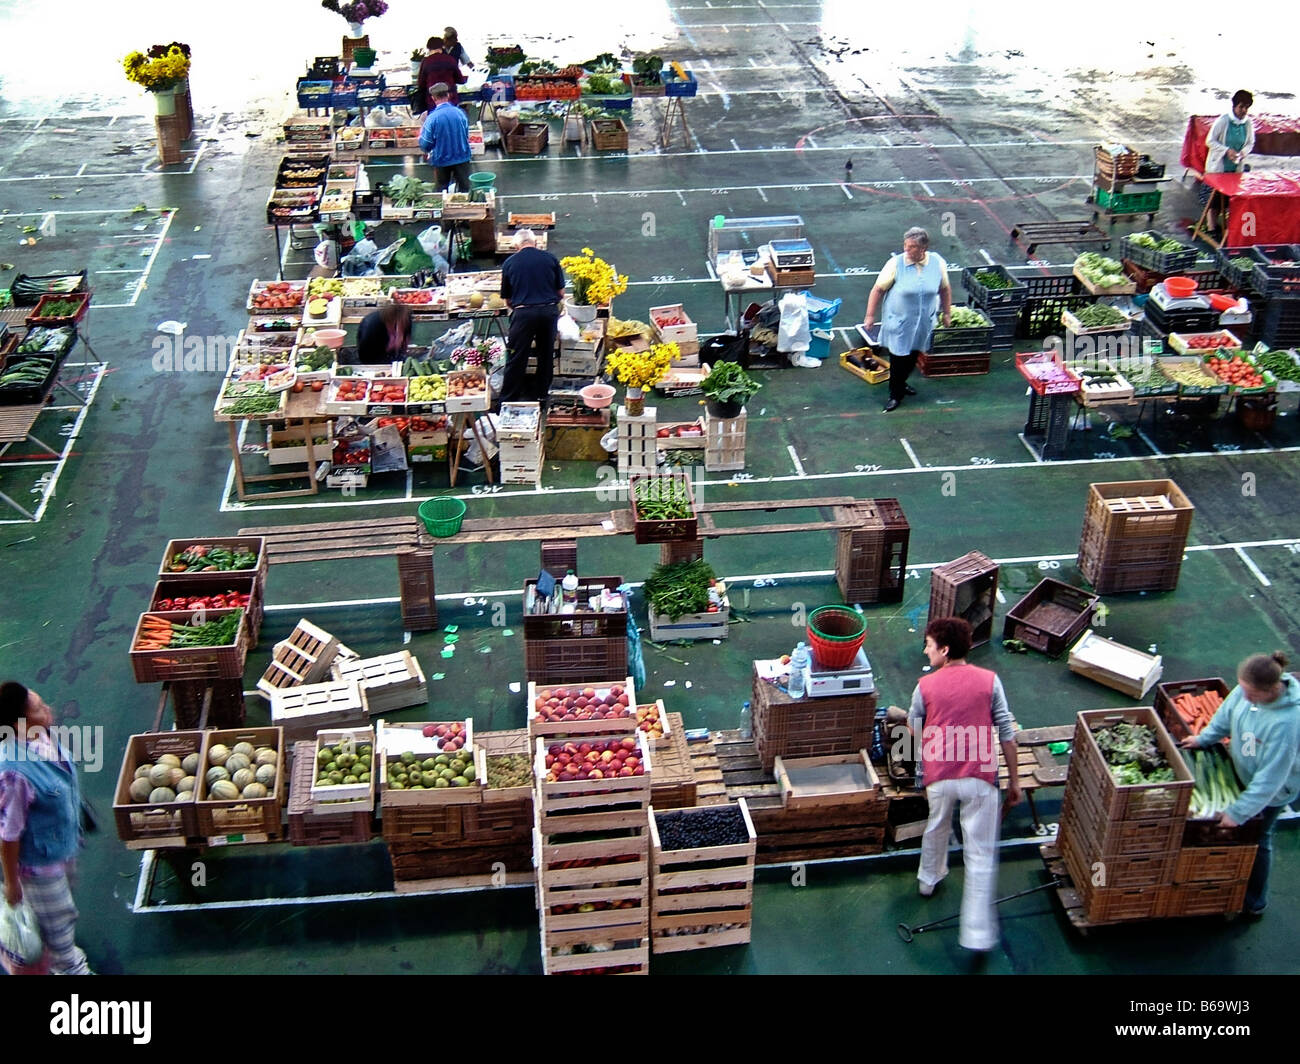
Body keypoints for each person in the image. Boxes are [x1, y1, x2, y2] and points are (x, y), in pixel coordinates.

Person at [907, 618, 1021, 954]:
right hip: (981, 776)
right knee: (980, 854)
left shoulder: (924, 686)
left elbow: (913, 730)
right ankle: (975, 933)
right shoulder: (990, 681)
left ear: (944, 650)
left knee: (936, 827)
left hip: (940, 775)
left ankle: (928, 881)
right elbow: (1007, 733)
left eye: (929, 645)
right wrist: (1013, 782)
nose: (926, 650)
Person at [1179, 652, 1300, 916]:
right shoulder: (1248, 693)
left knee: (1259, 839)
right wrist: (1205, 738)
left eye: (1250, 693)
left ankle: (1255, 901)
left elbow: (1271, 778)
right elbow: (1228, 711)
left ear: (1270, 690)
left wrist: (1238, 812)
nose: (1244, 696)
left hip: (1273, 792)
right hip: (1243, 768)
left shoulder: (1287, 723)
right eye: (1242, 688)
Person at [0, 681, 92, 975]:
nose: (48, 709)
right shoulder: (14, 773)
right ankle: (71, 970)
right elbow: (9, 836)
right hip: (39, 867)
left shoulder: (42, 737)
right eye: (39, 708)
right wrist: (13, 883)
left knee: (59, 916)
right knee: (60, 934)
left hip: (61, 848)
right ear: (19, 723)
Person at [863, 226, 952, 412]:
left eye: (911, 247)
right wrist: (870, 315)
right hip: (899, 322)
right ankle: (895, 394)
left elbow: (944, 289)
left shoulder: (937, 263)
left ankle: (901, 383)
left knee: (912, 356)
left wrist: (947, 312)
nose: (906, 250)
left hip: (923, 323)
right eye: (905, 245)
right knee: (898, 358)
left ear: (923, 248)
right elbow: (878, 289)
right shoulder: (895, 264)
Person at [499, 229, 564, 403]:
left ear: (516, 245)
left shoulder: (509, 263)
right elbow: (561, 292)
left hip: (523, 313)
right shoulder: (551, 259)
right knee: (545, 355)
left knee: (517, 356)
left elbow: (507, 300)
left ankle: (508, 399)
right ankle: (542, 394)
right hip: (548, 312)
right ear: (535, 243)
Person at [1200, 90, 1255, 238]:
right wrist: (1226, 150)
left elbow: (1250, 142)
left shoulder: (1248, 123)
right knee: (1214, 198)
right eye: (1241, 107)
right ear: (1234, 106)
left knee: (1228, 198)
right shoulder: (1223, 121)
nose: (1243, 111)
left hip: (1235, 168)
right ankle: (1211, 228)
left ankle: (1225, 226)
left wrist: (1243, 152)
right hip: (1218, 167)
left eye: (1246, 108)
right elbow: (1210, 141)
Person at [418, 83, 473, 193]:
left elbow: (425, 144)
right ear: (448, 95)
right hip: (462, 157)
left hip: (441, 160)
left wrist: (423, 143)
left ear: (433, 98)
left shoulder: (432, 118)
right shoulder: (460, 113)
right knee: (465, 190)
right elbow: (466, 135)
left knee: (441, 191)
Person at [414, 36, 466, 113]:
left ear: (429, 48)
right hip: (450, 99)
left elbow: (421, 84)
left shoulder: (426, 62)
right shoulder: (450, 59)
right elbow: (460, 79)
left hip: (433, 101)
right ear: (442, 47)